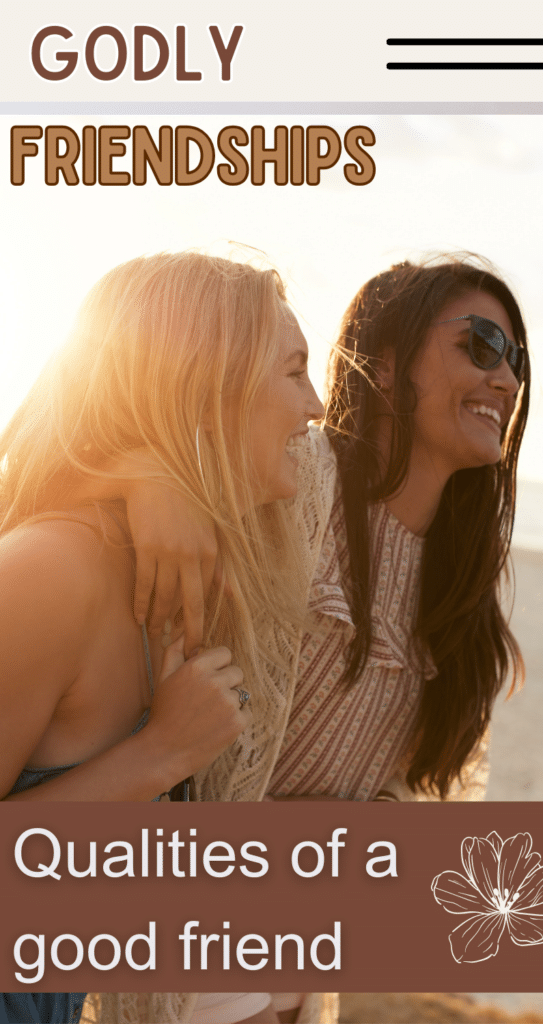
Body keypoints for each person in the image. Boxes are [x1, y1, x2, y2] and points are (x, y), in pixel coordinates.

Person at [88, 254, 529, 1024]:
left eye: (514, 361)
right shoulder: (292, 475)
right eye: (482, 345)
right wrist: (141, 477)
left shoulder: (462, 588)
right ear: (385, 364)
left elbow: (422, 811)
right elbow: (83, 439)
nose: (505, 379)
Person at [0, 250, 324, 1024]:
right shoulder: (54, 569)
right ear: (205, 389)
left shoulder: (159, 577)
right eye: (293, 371)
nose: (316, 406)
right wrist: (160, 754)